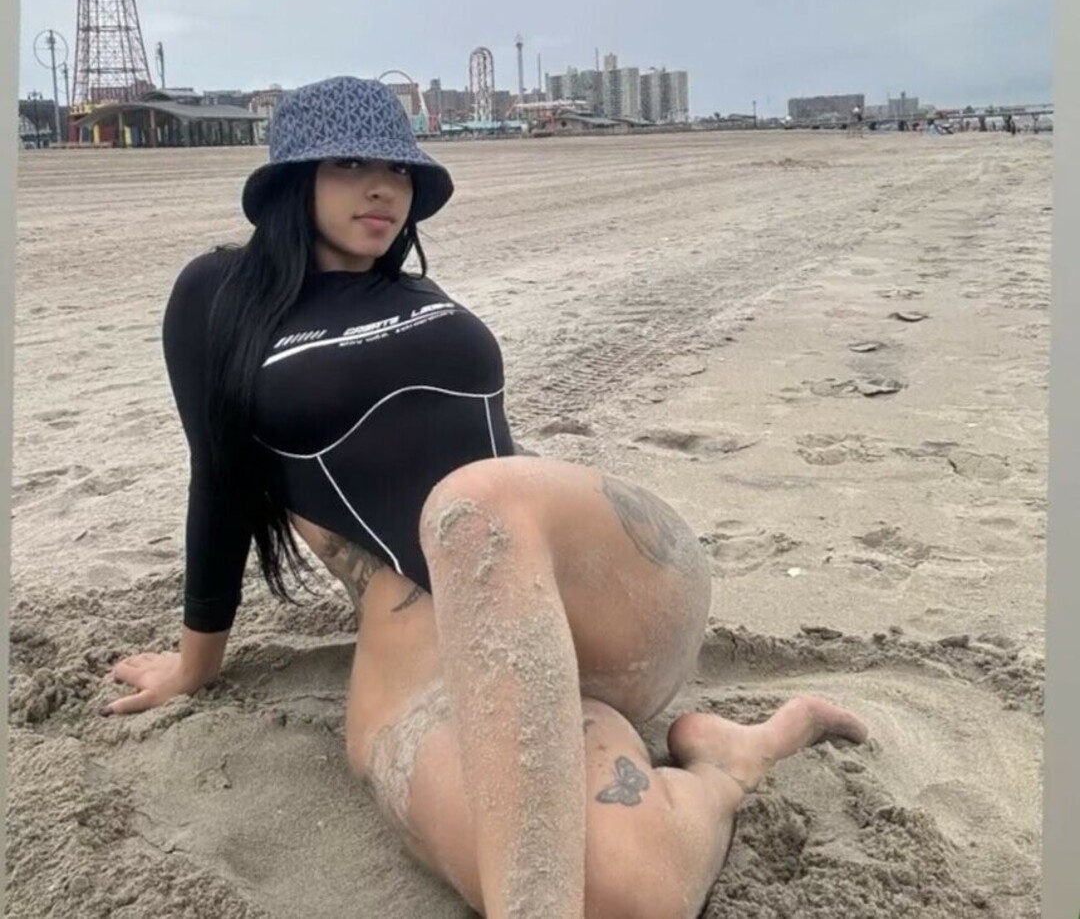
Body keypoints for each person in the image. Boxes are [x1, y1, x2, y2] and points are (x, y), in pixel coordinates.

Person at [101, 76, 867, 919]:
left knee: (472, 504)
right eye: (351, 164)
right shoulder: (218, 296)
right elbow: (215, 475)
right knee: (629, 893)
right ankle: (723, 767)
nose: (383, 188)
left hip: (594, 588)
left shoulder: (419, 297)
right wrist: (195, 664)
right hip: (447, 643)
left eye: (399, 170)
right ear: (293, 179)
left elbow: (486, 474)